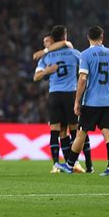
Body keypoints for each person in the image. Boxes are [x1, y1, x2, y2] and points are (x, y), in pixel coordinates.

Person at [57, 26, 109, 176]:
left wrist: (77, 101)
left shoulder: (85, 54)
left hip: (92, 101)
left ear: (87, 37)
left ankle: (70, 165)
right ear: (102, 36)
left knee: (81, 132)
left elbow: (83, 78)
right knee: (108, 132)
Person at [33, 27, 91, 173]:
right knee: (75, 131)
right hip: (70, 94)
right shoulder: (73, 52)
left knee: (56, 131)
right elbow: (86, 67)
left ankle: (56, 165)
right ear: (64, 36)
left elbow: (36, 77)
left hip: (54, 95)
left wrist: (47, 70)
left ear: (52, 39)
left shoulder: (47, 57)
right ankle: (75, 163)